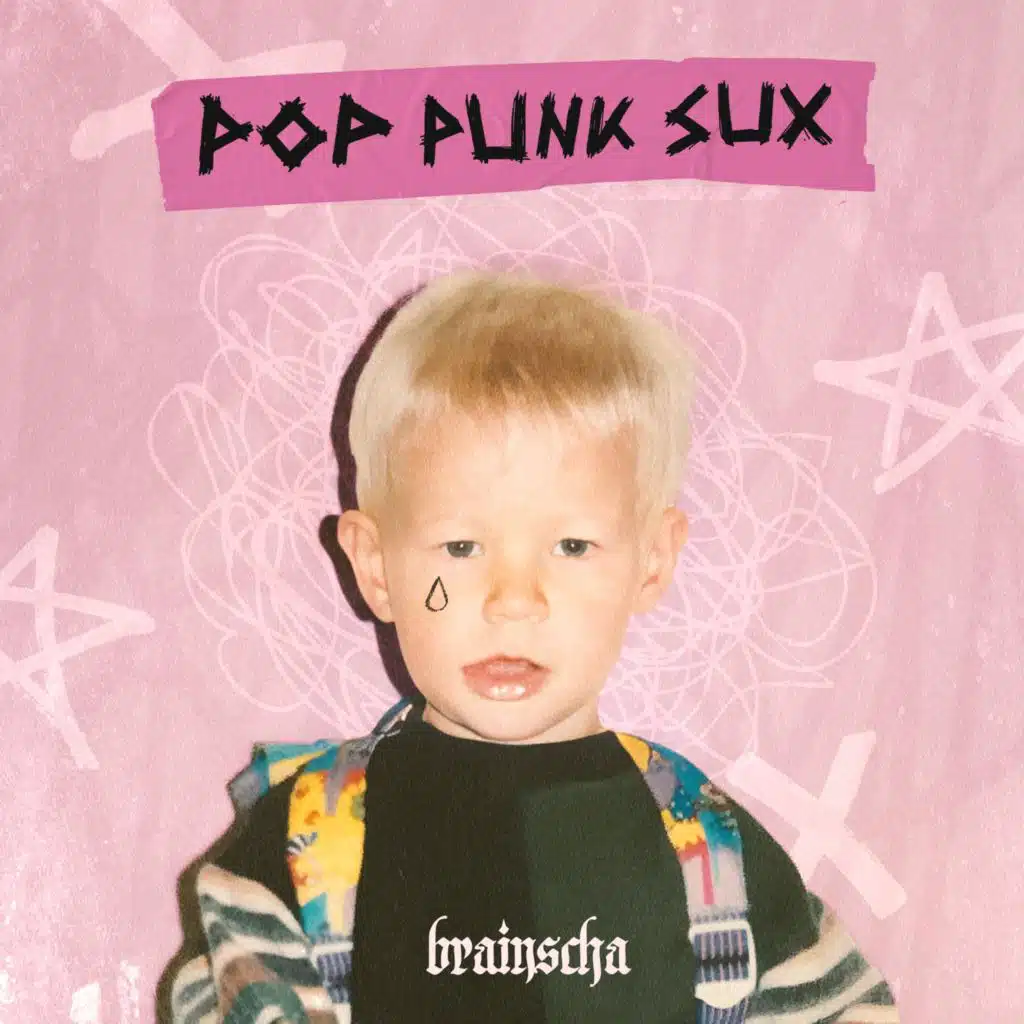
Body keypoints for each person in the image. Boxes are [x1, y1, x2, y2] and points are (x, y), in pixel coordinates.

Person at [165, 271, 899, 1023]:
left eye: (572, 546)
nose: (514, 600)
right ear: (378, 569)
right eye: (460, 547)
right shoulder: (306, 842)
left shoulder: (713, 854)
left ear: (651, 562)